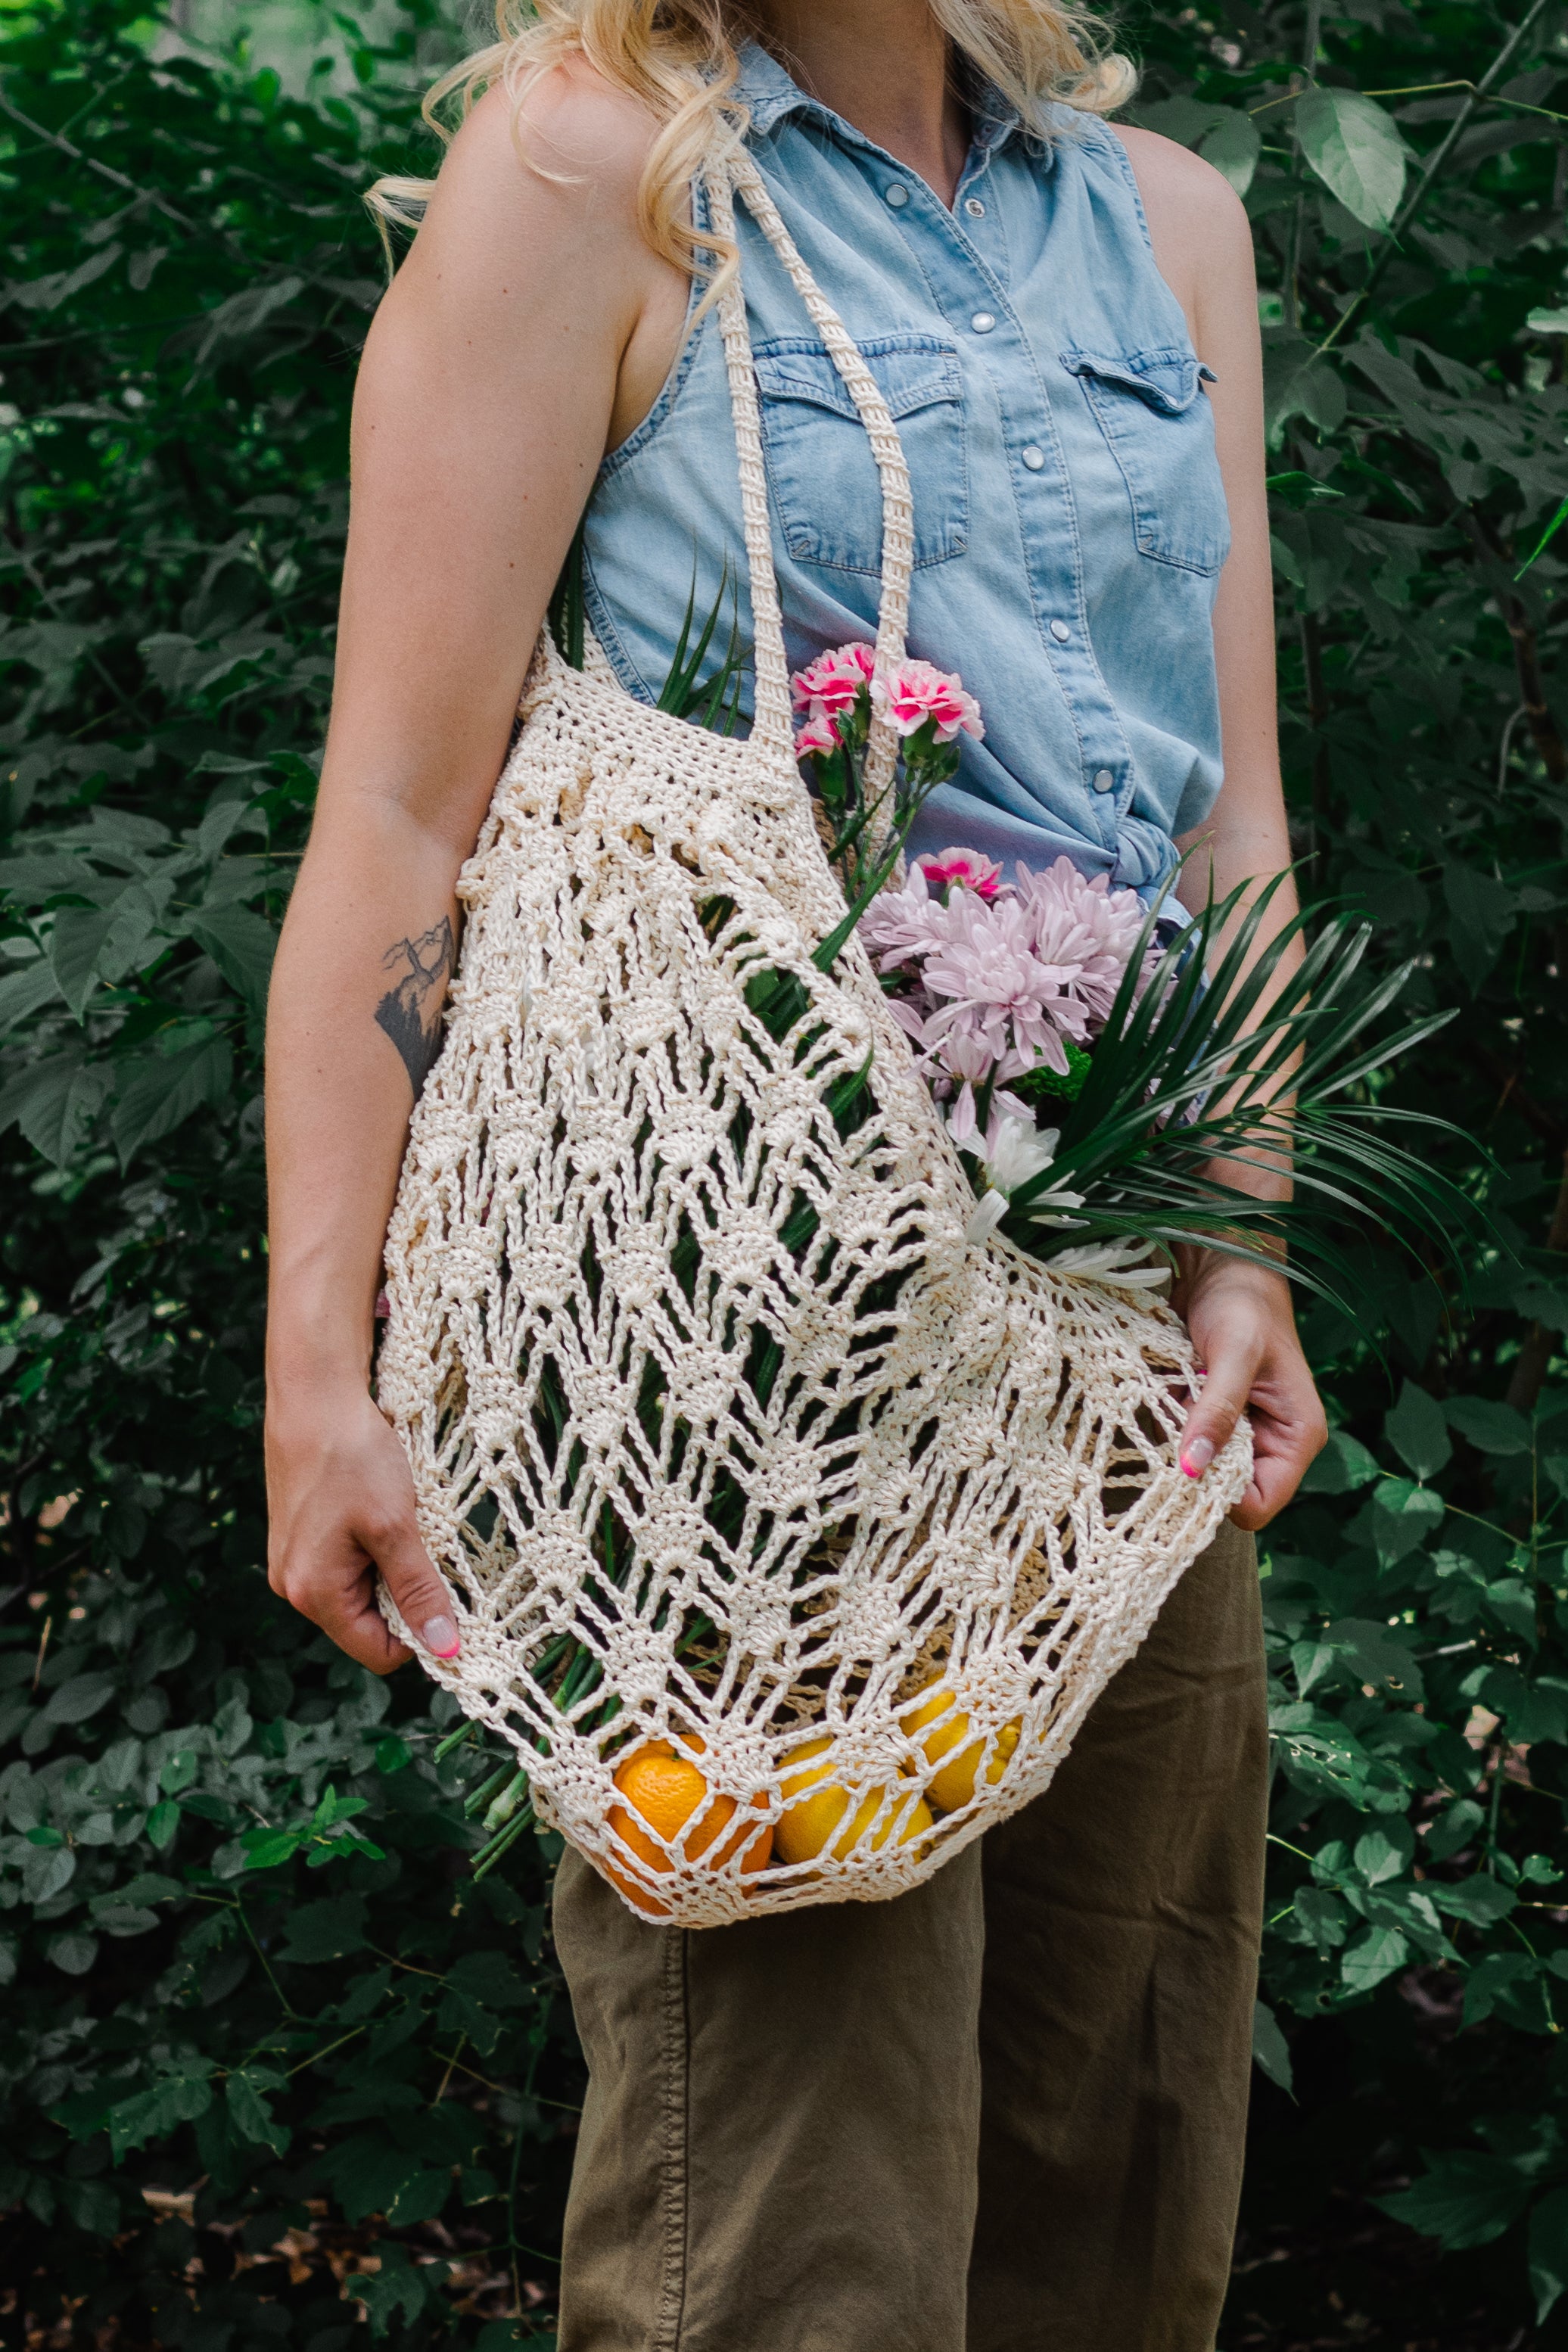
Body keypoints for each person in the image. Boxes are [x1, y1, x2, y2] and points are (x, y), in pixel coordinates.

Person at [264, 4, 1328, 2344]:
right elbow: (400, 819)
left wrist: (1241, 1232)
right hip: (746, 1347)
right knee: (786, 2240)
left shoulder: (1172, 235)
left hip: (1115, 1335)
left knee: (1115, 2193)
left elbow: (1221, 805)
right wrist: (317, 1372)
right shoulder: (592, 176)